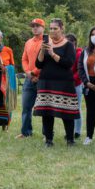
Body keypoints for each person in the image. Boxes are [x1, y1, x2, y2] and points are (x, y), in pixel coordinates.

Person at [33, 18, 80, 147]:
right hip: (46, 82)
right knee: (46, 111)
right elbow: (38, 64)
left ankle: (70, 139)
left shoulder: (68, 45)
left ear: (62, 28)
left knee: (67, 112)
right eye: (51, 28)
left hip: (64, 82)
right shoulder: (46, 43)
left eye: (55, 28)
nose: (53, 31)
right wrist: (43, 50)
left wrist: (52, 53)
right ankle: (49, 140)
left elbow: (68, 63)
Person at [16, 18, 45, 139]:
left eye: (37, 25)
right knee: (26, 107)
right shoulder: (28, 42)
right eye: (33, 26)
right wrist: (28, 72)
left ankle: (46, 134)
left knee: (44, 107)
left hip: (42, 78)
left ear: (43, 27)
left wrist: (34, 73)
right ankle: (26, 132)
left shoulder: (47, 41)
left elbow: (46, 61)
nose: (35, 28)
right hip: (29, 79)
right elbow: (24, 59)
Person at [66, 33, 83, 139]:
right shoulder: (64, 53)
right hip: (65, 84)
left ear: (74, 43)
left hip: (76, 84)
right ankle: (69, 130)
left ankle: (77, 131)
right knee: (67, 108)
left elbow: (79, 70)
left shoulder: (79, 54)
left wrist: (72, 79)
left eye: (70, 43)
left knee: (77, 107)